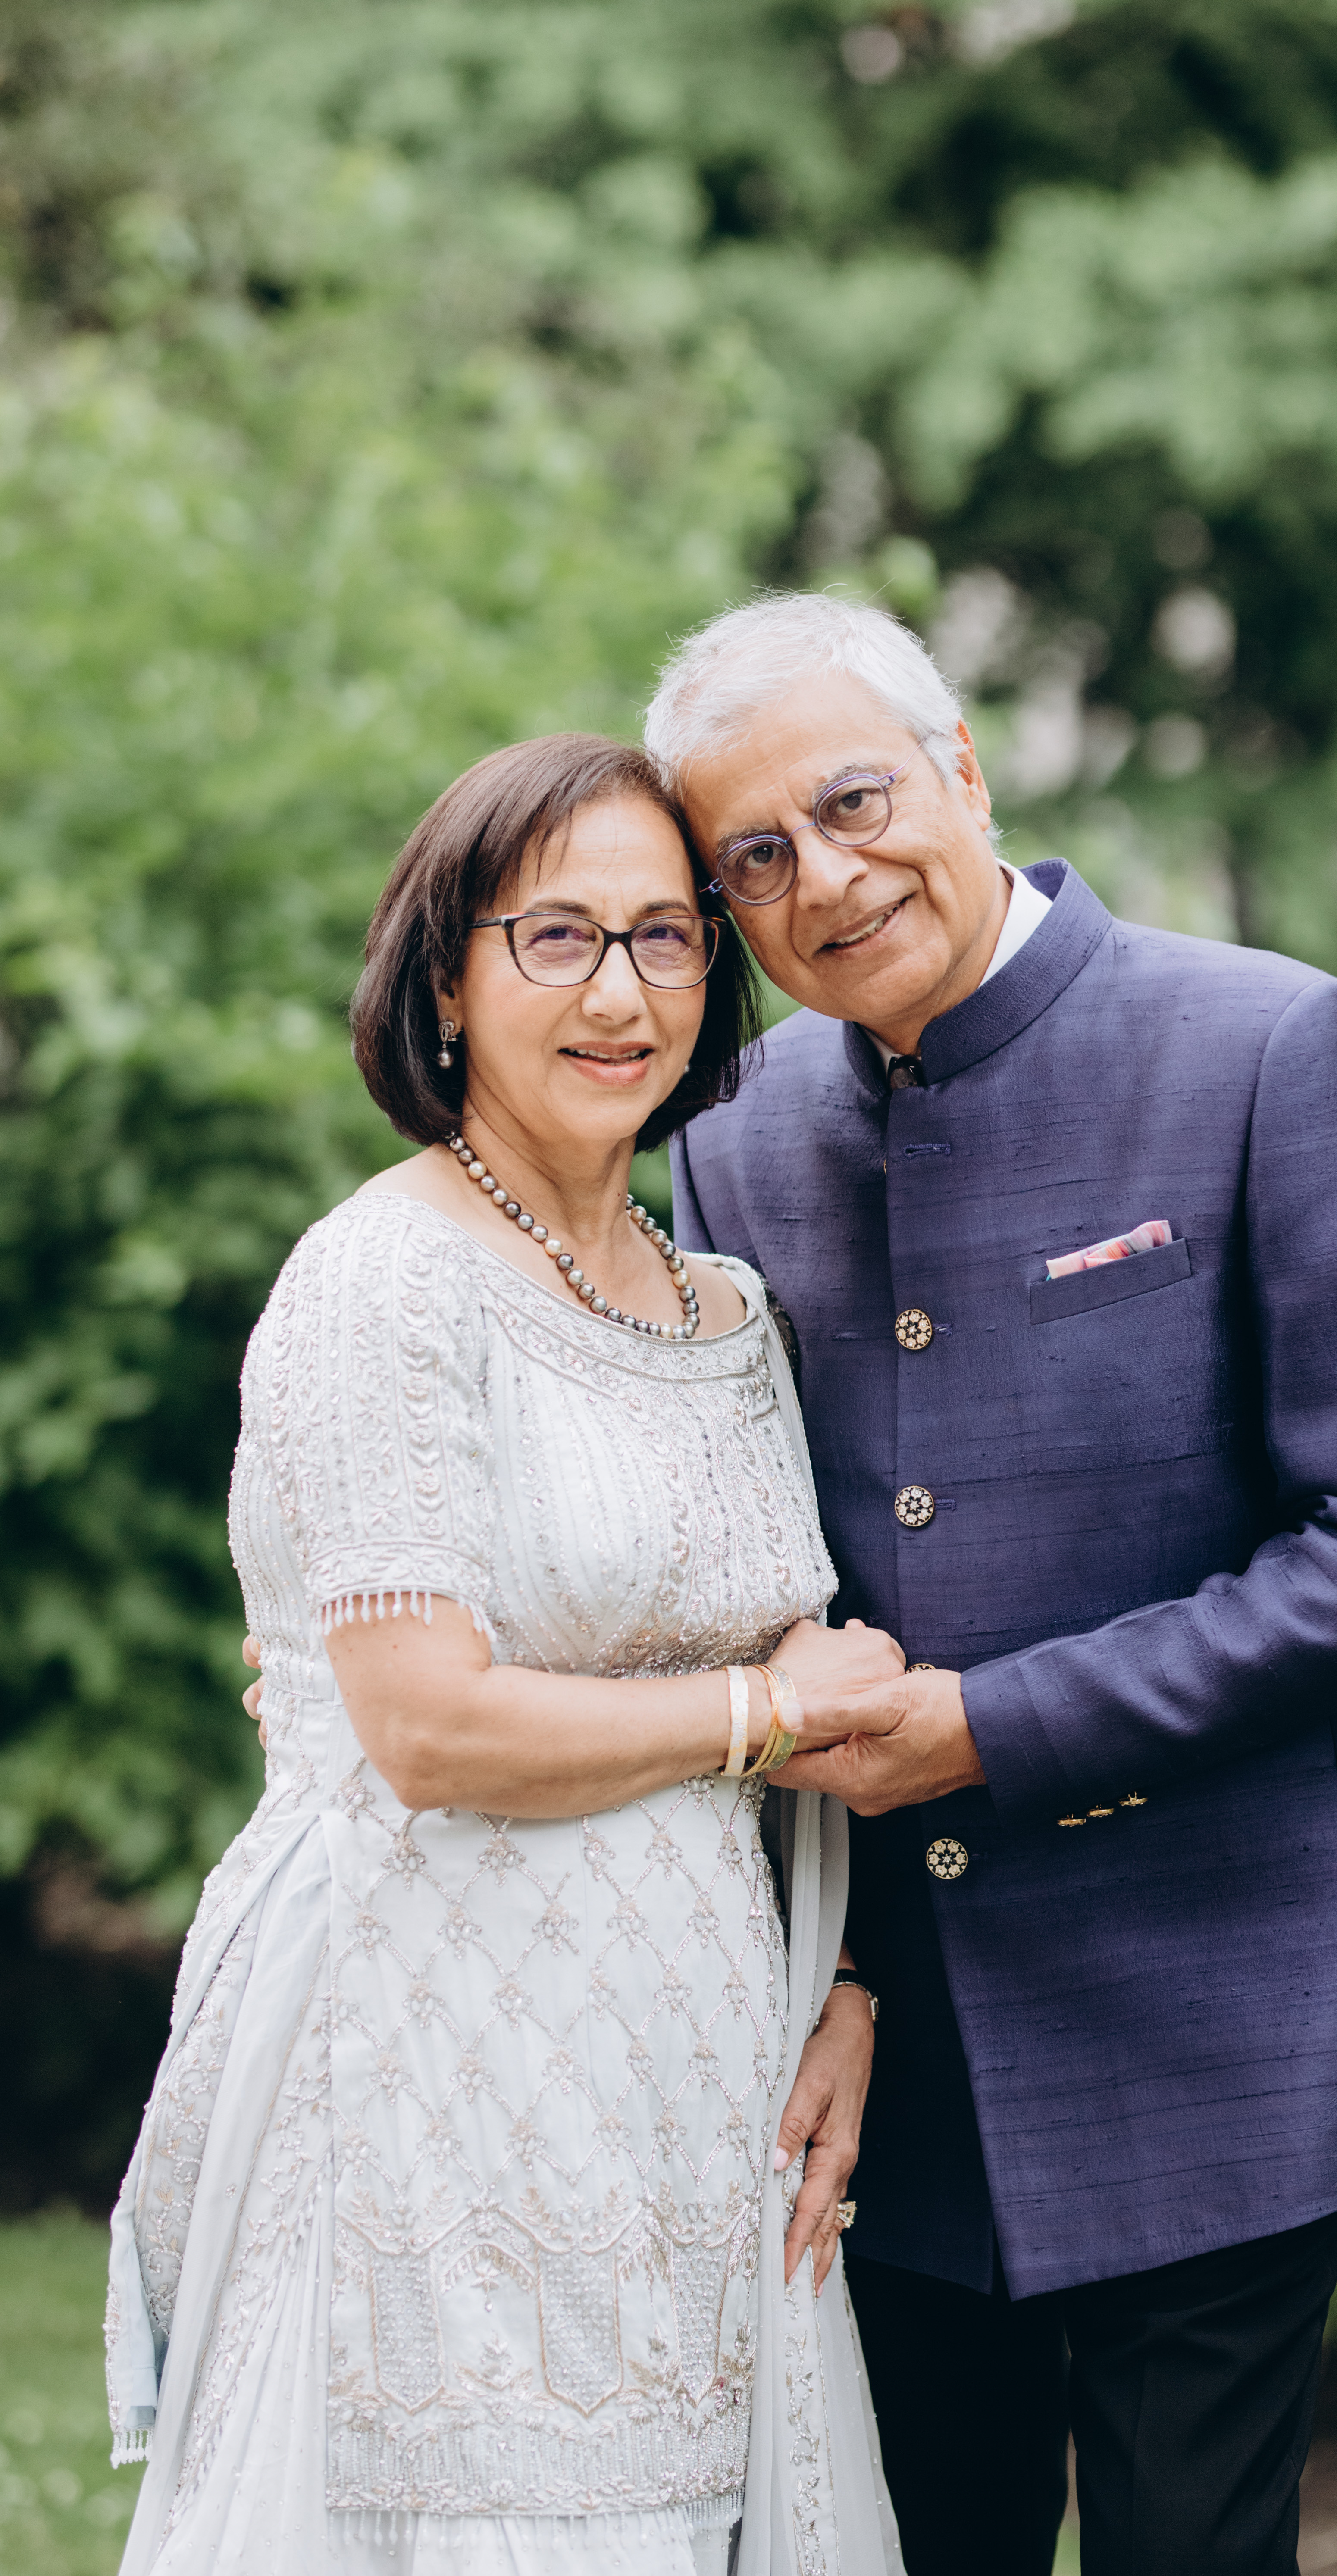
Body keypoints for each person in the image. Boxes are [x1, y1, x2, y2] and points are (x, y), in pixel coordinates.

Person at [644, 593, 1337, 2576]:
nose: (822, 879)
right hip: (892, 2040)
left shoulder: (1271, 1042)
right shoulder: (737, 1140)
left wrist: (988, 1727)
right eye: (753, 857)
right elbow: (756, 1551)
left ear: (959, 768)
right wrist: (833, 1961)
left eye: (851, 802)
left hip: (1222, 1991)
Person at [106, 733, 905, 2576]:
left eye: (663, 937)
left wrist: (851, 1970)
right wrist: (767, 1707)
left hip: (693, 2062)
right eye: (556, 935)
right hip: (437, 2043)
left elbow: (779, 1624)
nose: (619, 992)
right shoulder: (381, 1280)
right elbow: (428, 1726)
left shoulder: (726, 1307)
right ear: (447, 978)